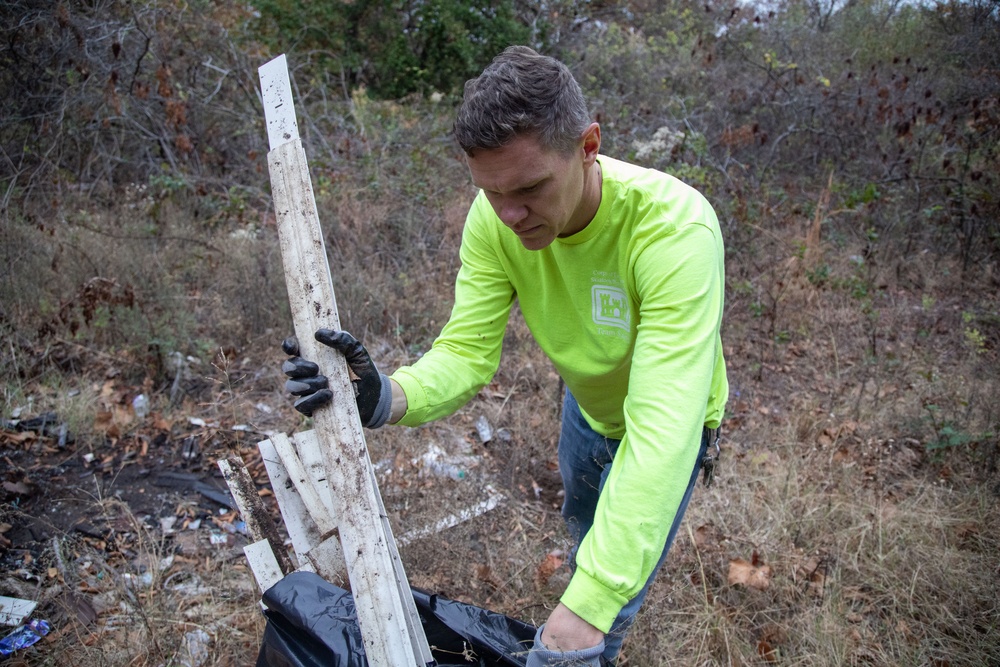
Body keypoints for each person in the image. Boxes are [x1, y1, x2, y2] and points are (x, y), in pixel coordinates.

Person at [282, 45, 728, 666]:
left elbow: (662, 429)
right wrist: (384, 395)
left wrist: (588, 608)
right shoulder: (494, 219)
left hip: (672, 423)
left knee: (590, 625)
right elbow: (466, 352)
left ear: (588, 145)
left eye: (530, 188)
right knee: (583, 516)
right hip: (588, 404)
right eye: (490, 192)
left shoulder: (674, 231)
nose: (510, 215)